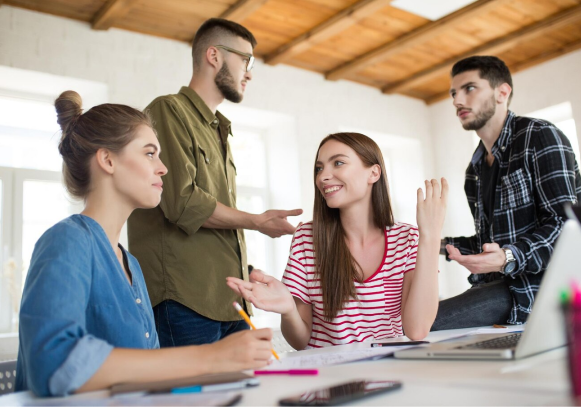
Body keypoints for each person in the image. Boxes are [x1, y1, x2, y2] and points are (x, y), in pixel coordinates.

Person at [15, 91, 273, 397]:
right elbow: (52, 364)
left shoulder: (132, 266)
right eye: (150, 153)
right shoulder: (67, 242)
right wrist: (211, 357)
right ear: (108, 160)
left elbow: (145, 375)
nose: (163, 168)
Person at [127, 18, 302, 348]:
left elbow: (212, 220)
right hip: (184, 302)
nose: (249, 73)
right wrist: (256, 221)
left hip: (231, 301)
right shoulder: (168, 111)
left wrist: (244, 267)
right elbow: (183, 203)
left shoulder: (219, 129)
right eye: (245, 60)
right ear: (214, 56)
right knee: (193, 401)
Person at [227, 132, 448, 349]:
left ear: (373, 173)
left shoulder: (407, 239)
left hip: (388, 376)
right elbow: (299, 341)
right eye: (319, 168)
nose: (322, 177)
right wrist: (289, 311)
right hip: (328, 378)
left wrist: (429, 236)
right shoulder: (307, 239)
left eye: (338, 163)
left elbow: (417, 330)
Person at [433, 56, 581, 330]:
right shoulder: (474, 171)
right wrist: (431, 242)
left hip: (545, 291)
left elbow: (567, 228)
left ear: (502, 92)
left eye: (469, 88)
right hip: (499, 289)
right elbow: (488, 244)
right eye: (454, 93)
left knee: (420, 324)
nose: (457, 101)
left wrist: (508, 257)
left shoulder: (540, 136)